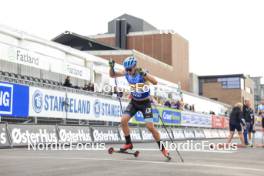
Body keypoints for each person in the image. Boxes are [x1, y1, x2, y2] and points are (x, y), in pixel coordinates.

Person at [109, 56, 170, 158]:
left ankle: (163, 148)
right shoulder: (126, 72)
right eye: (126, 69)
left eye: (129, 69)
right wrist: (111, 67)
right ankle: (128, 143)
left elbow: (155, 82)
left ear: (134, 66)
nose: (128, 71)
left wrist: (145, 74)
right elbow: (112, 75)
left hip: (145, 103)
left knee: (150, 127)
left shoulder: (141, 73)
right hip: (134, 102)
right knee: (123, 120)